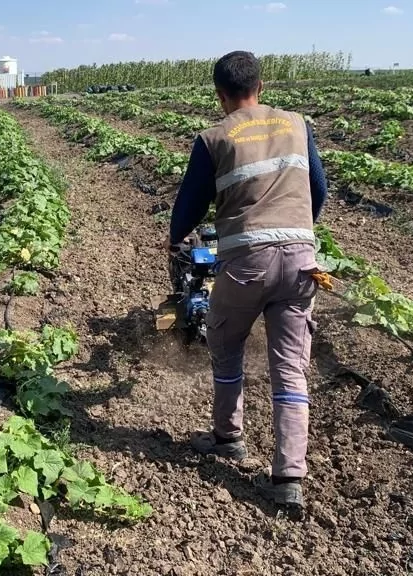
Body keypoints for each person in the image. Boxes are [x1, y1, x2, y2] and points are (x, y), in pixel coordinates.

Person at [166, 50, 328, 508]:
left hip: (246, 264)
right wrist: (298, 231)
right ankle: (288, 478)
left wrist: (175, 237)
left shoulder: (215, 136)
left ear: (220, 94)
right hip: (301, 262)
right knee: (290, 367)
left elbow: (191, 203)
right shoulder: (297, 123)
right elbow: (319, 189)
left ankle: (228, 438)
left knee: (225, 342)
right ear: (261, 86)